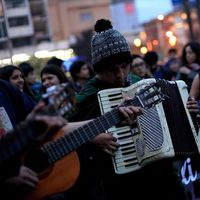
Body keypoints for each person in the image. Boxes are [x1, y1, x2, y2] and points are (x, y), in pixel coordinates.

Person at [68, 19, 187, 200]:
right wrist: (91, 138)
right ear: (98, 70)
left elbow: (170, 119)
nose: (120, 75)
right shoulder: (86, 97)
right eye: (112, 70)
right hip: (119, 185)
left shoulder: (142, 84)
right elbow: (67, 136)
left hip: (160, 178)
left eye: (124, 66)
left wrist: (188, 111)